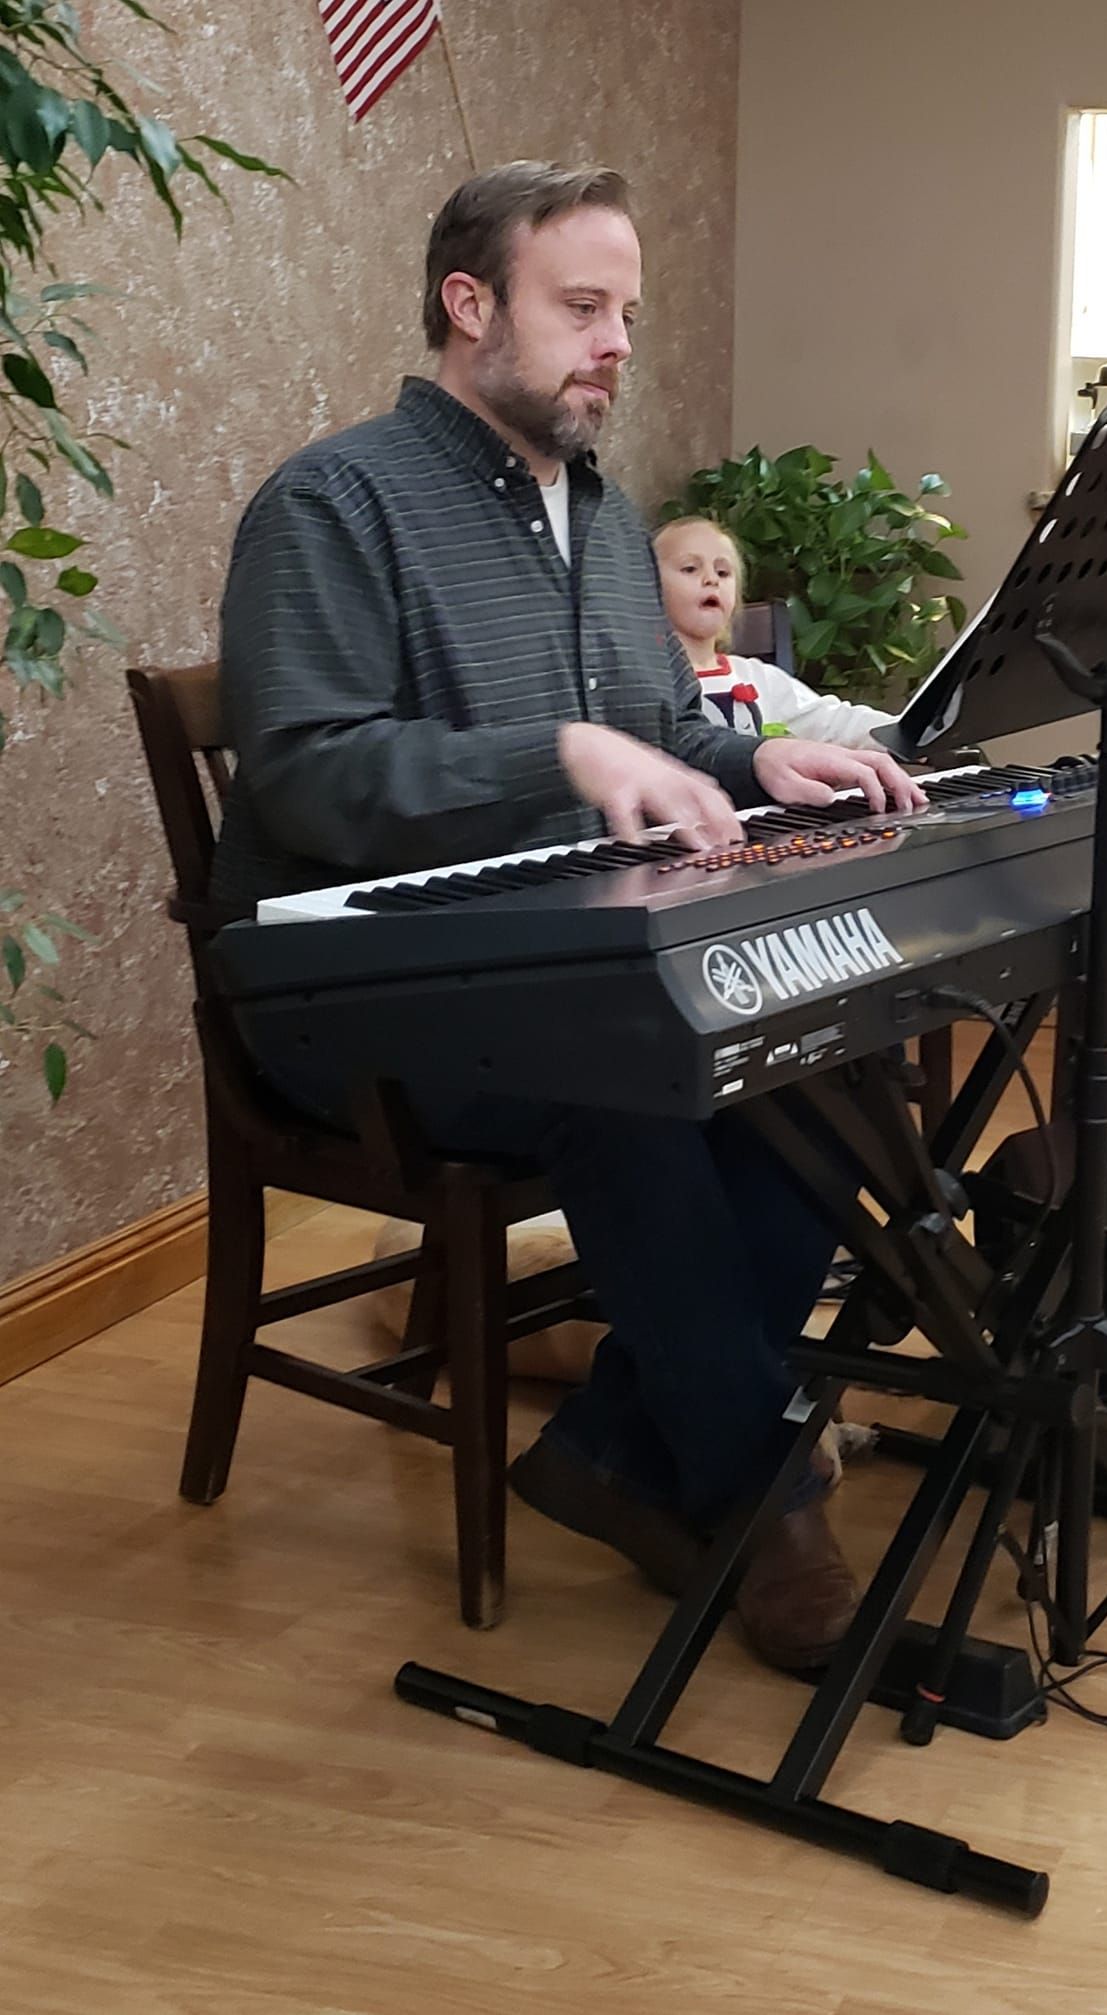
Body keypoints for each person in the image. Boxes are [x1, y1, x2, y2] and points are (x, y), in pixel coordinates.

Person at [210, 161, 926, 1671]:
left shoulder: (604, 518)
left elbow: (663, 729)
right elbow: (307, 777)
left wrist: (752, 755)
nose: (614, 342)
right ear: (468, 305)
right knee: (635, 1086)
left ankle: (620, 1441)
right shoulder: (331, 503)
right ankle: (767, 1488)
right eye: (581, 307)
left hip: (560, 953)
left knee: (829, 1052)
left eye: (625, 313)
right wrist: (558, 752)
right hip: (350, 987)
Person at [653, 516, 897, 747]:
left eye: (723, 572)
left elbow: (836, 723)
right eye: (690, 568)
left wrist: (906, 733)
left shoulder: (759, 678)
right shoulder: (643, 684)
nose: (711, 579)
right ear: (647, 587)